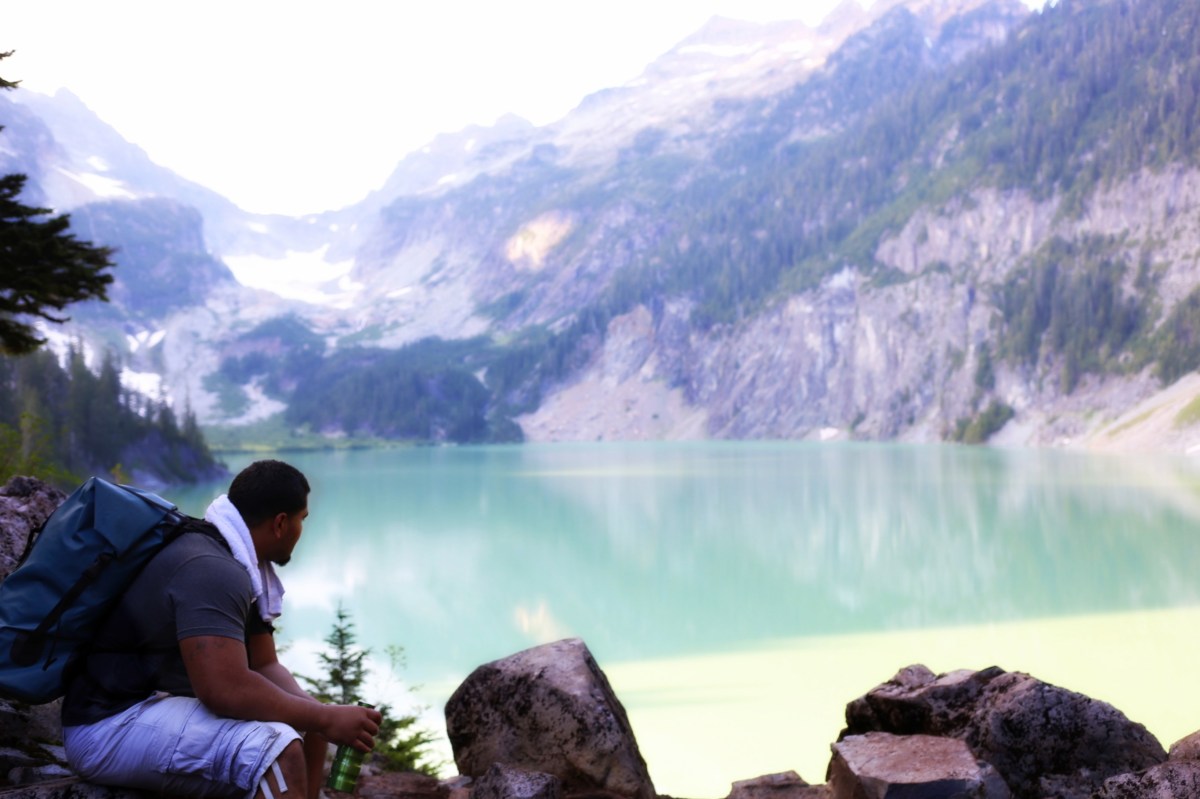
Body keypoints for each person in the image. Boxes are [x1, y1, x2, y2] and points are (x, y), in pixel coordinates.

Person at [61, 460, 380, 799]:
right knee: (277, 752)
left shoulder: (240, 562)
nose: (302, 529)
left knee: (311, 730)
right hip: (108, 725)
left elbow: (264, 665)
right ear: (280, 523)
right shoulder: (213, 569)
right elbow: (224, 690)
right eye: (302, 519)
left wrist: (324, 719)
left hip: (151, 708)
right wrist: (324, 717)